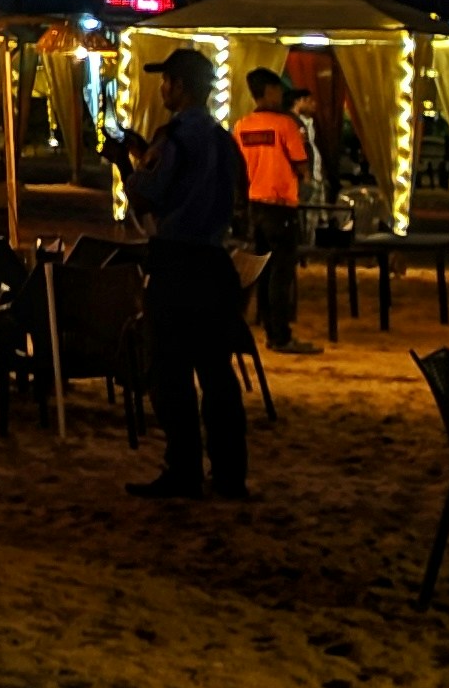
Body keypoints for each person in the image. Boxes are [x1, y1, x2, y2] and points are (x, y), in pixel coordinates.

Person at [105, 47, 251, 502]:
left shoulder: (173, 139)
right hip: (214, 264)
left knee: (169, 372)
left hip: (177, 263)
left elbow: (148, 198)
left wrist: (124, 163)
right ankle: (230, 474)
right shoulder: (224, 141)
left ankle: (183, 468)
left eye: (166, 81)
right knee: (217, 375)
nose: (162, 88)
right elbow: (237, 196)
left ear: (181, 86)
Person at [234, 68, 313, 354]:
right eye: (278, 89)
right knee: (281, 273)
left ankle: (268, 329)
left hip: (254, 205)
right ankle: (280, 335)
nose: (281, 95)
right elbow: (302, 165)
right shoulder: (286, 125)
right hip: (281, 207)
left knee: (263, 272)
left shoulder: (242, 125)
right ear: (267, 91)